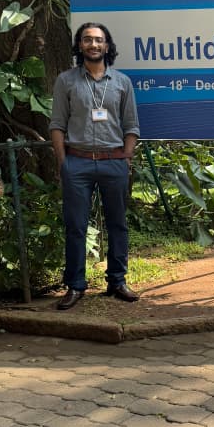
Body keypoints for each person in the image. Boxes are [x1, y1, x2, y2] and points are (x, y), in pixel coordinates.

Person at [50, 22, 141, 310]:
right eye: (87, 39)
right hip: (77, 163)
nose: (93, 44)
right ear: (79, 45)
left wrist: (126, 158)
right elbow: (57, 125)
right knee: (76, 226)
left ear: (107, 45)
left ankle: (117, 281)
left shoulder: (122, 82)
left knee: (118, 224)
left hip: (113, 162)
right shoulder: (66, 81)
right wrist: (64, 163)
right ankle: (75, 285)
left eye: (99, 40)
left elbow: (131, 125)